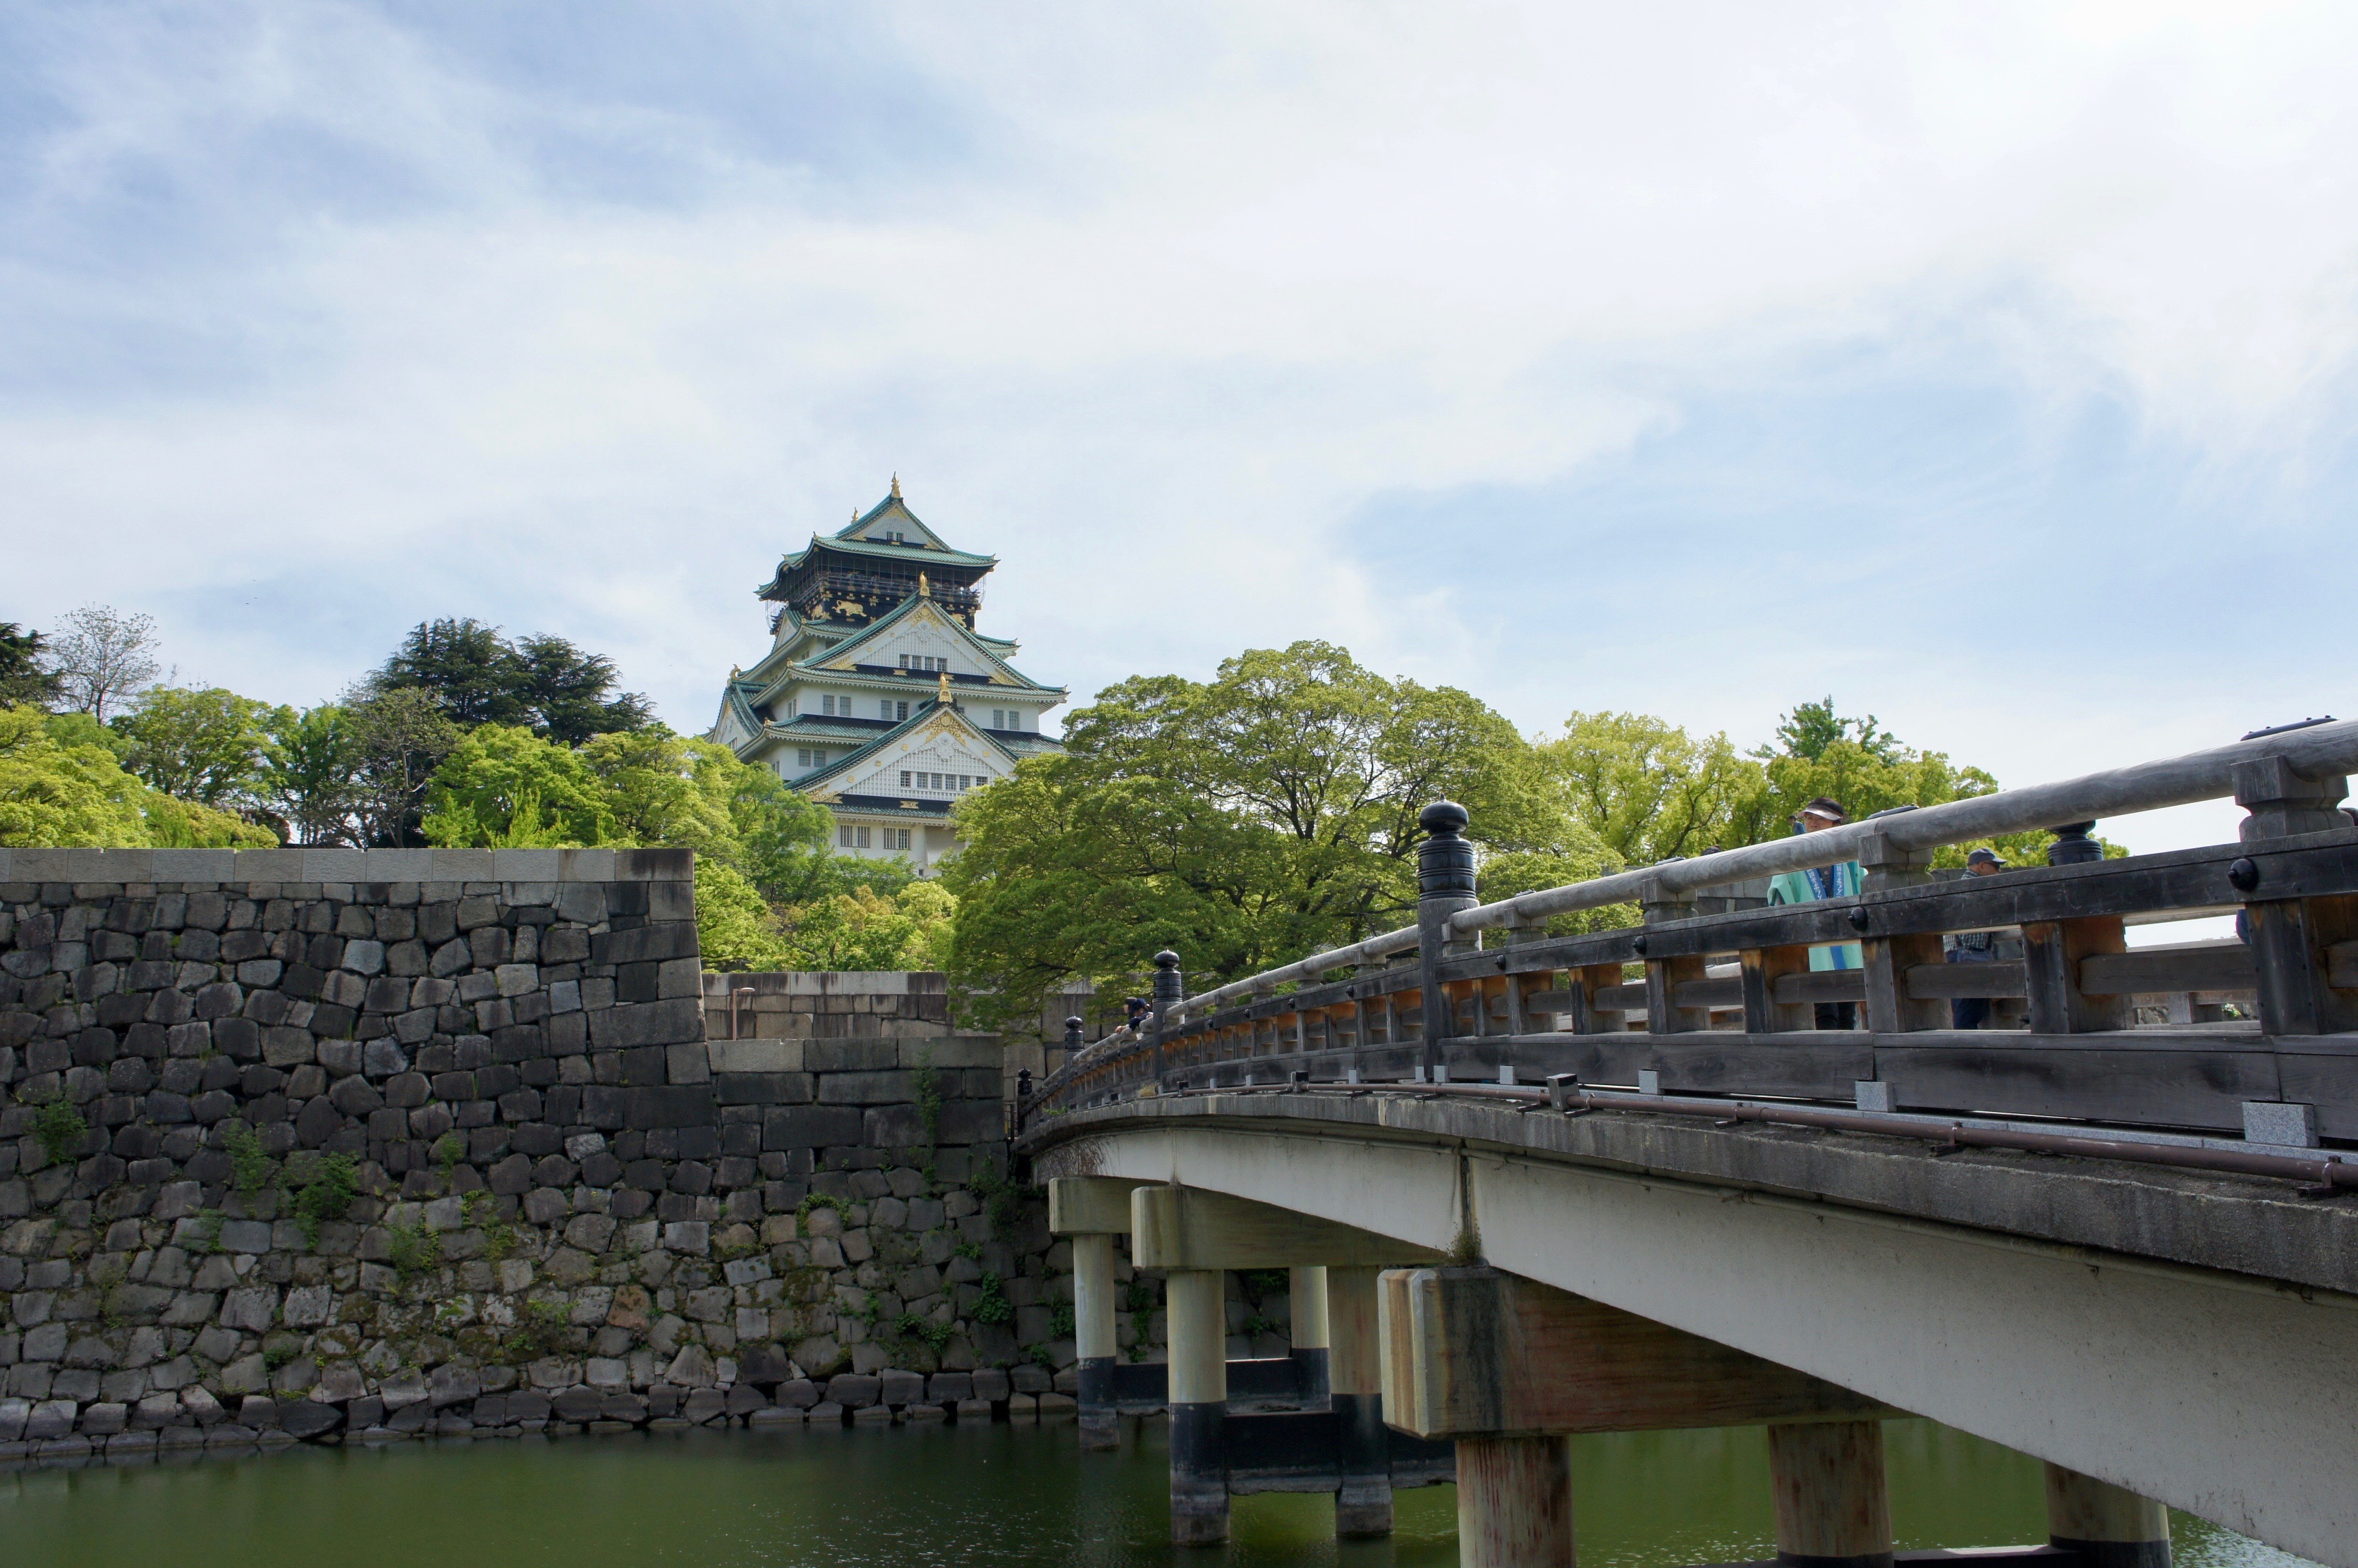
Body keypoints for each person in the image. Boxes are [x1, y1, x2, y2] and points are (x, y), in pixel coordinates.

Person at [1765, 796, 1864, 1029]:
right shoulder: (1793, 853)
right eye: (1809, 818)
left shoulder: (1850, 856)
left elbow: (1866, 887)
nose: (1813, 823)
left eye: (1821, 819)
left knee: (1847, 1011)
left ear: (1836, 824)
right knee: (1824, 1012)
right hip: (1811, 942)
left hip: (1846, 941)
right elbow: (1779, 893)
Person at [1943, 847, 2010, 1027]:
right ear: (1982, 866)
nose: (1998, 871)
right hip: (1971, 955)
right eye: (1995, 866)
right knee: (1968, 1016)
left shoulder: (1958, 887)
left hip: (1956, 955)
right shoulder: (1979, 889)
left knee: (1964, 1011)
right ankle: (1964, 1052)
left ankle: (1963, 1050)